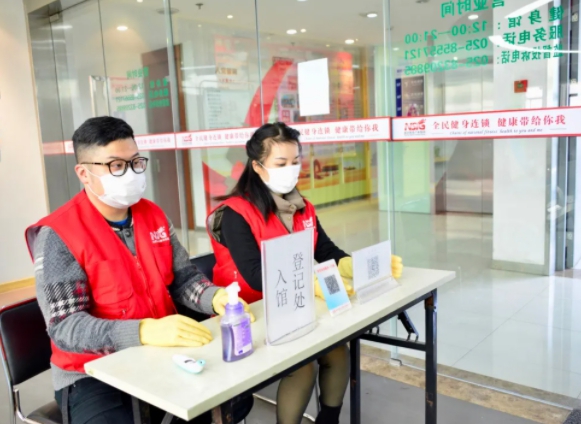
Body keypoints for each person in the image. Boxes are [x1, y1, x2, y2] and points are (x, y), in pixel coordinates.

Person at [25, 116, 252, 424]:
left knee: (233, 400)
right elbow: (67, 327)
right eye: (116, 166)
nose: (130, 173)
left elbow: (183, 279)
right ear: (84, 173)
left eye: (135, 162)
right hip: (92, 373)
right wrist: (144, 331)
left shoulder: (153, 215)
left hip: (158, 353)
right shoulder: (59, 234)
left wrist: (215, 298)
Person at [207, 122, 403, 424]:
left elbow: (325, 250)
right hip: (250, 317)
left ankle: (329, 420)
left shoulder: (302, 206)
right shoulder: (236, 213)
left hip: (294, 306)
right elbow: (256, 275)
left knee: (338, 351)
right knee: (304, 366)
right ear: (257, 166)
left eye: (295, 161)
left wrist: (355, 265)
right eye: (281, 163)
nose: (291, 170)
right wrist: (311, 283)